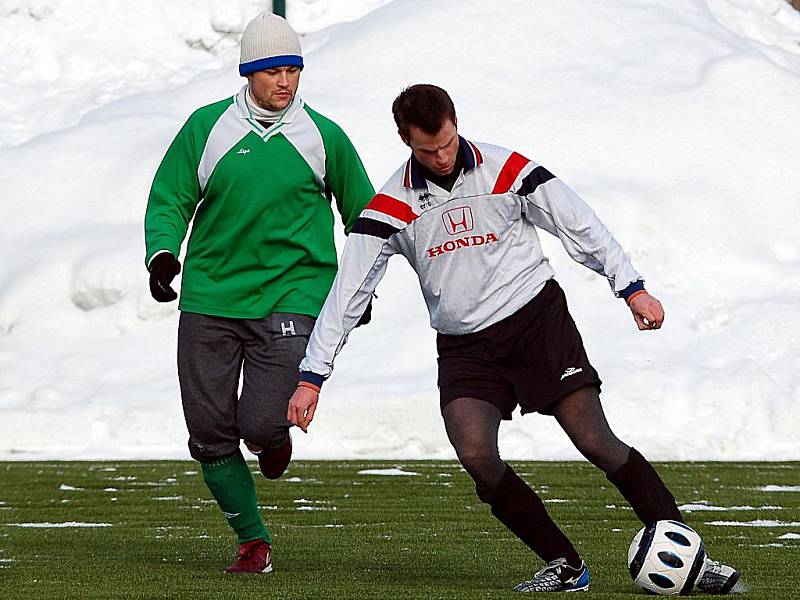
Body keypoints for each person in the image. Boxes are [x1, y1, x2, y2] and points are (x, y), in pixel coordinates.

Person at [287, 84, 740, 593]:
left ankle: (695, 559)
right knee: (475, 452)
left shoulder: (507, 171)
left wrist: (630, 287)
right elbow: (347, 294)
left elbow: (578, 223)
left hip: (536, 324)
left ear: (457, 123)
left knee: (596, 440)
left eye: (448, 143)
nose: (441, 157)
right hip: (466, 348)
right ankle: (564, 565)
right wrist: (312, 375)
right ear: (404, 140)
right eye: (427, 150)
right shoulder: (391, 207)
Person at [143, 12, 374, 574]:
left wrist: (358, 293)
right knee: (209, 432)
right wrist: (163, 253)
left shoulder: (324, 136)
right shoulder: (207, 129)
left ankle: (272, 438)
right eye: (273, 71)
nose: (286, 82)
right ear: (248, 73)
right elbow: (170, 198)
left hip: (293, 295)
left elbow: (365, 217)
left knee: (262, 425)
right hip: (211, 299)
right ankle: (252, 541)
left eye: (293, 70)